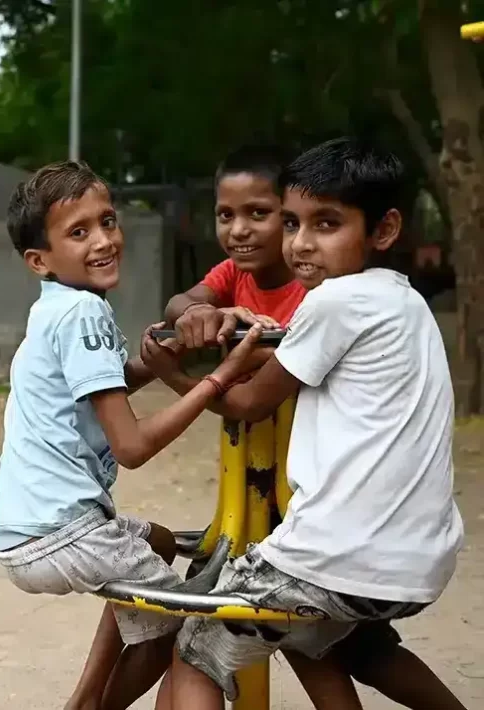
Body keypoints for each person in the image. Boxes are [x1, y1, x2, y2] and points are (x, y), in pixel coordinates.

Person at [144, 137, 466, 710]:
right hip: (413, 558)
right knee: (336, 645)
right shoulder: (405, 302)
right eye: (292, 224)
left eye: (326, 224)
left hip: (334, 557)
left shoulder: (333, 301)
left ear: (384, 230)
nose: (301, 244)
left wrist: (172, 373)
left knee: (198, 644)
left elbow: (246, 405)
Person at [0, 160, 264, 710]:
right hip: (62, 531)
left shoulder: (58, 308)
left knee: (158, 542)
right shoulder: (85, 313)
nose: (103, 241)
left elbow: (99, 394)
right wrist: (215, 381)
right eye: (79, 232)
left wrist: (152, 362)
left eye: (107, 221)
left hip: (25, 526)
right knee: (174, 622)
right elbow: (131, 448)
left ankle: (84, 699)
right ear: (39, 260)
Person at [164, 145, 303, 349]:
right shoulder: (234, 272)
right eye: (226, 215)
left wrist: (179, 380)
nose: (237, 231)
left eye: (258, 212)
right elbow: (177, 303)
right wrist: (199, 310)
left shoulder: (315, 285)